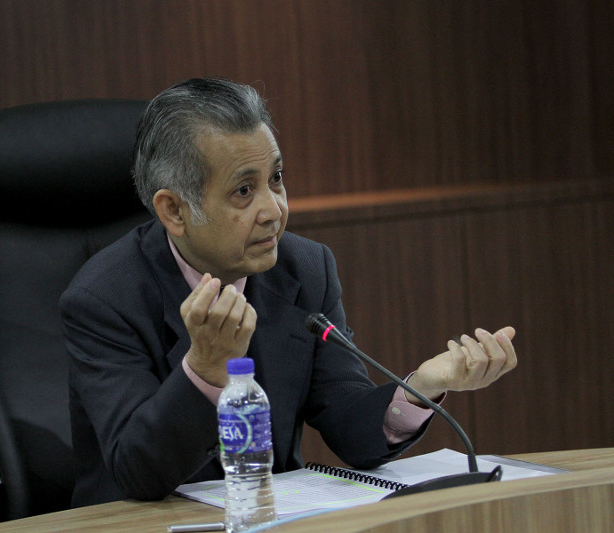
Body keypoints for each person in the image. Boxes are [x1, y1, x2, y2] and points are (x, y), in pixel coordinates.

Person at [60, 78, 517, 508]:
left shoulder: (304, 269)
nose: (274, 210)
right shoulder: (104, 298)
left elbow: (349, 426)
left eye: (276, 179)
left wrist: (419, 389)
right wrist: (203, 369)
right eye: (244, 190)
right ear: (175, 210)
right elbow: (139, 474)